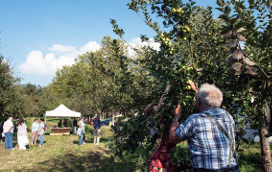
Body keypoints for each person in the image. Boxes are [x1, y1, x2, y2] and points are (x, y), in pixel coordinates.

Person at [169, 83, 240, 172]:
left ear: (198, 101)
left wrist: (176, 117)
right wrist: (195, 90)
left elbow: (173, 138)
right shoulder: (227, 116)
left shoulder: (195, 120)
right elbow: (208, 99)